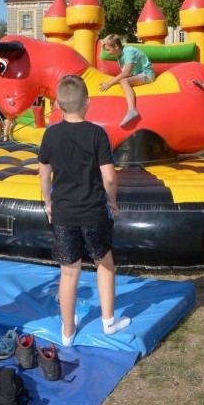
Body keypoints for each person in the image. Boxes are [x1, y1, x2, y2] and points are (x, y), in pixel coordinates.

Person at [37, 74, 131, 348]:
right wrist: (112, 200)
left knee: (69, 272)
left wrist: (48, 202)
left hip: (64, 213)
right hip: (93, 213)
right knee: (104, 263)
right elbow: (110, 178)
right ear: (87, 103)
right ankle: (108, 321)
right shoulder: (96, 133)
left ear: (58, 104)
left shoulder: (50, 133)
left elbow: (44, 175)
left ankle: (67, 331)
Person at [99, 34, 155, 127]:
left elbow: (126, 73)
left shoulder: (129, 51)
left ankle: (132, 110)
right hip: (138, 75)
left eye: (108, 50)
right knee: (122, 81)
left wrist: (110, 83)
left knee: (124, 81)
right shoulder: (119, 55)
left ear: (116, 46)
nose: (108, 53)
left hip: (147, 75)